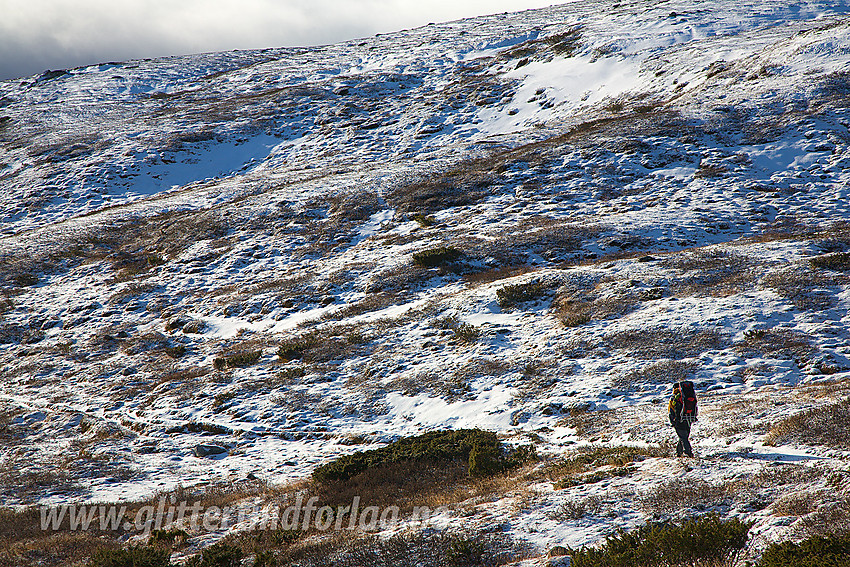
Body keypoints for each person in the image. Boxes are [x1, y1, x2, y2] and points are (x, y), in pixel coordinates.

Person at [668, 381, 698, 457]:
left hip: (678, 419)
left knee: (683, 437)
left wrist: (672, 421)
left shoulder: (674, 398)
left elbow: (671, 410)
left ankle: (688, 452)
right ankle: (679, 453)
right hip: (688, 418)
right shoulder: (687, 396)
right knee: (683, 436)